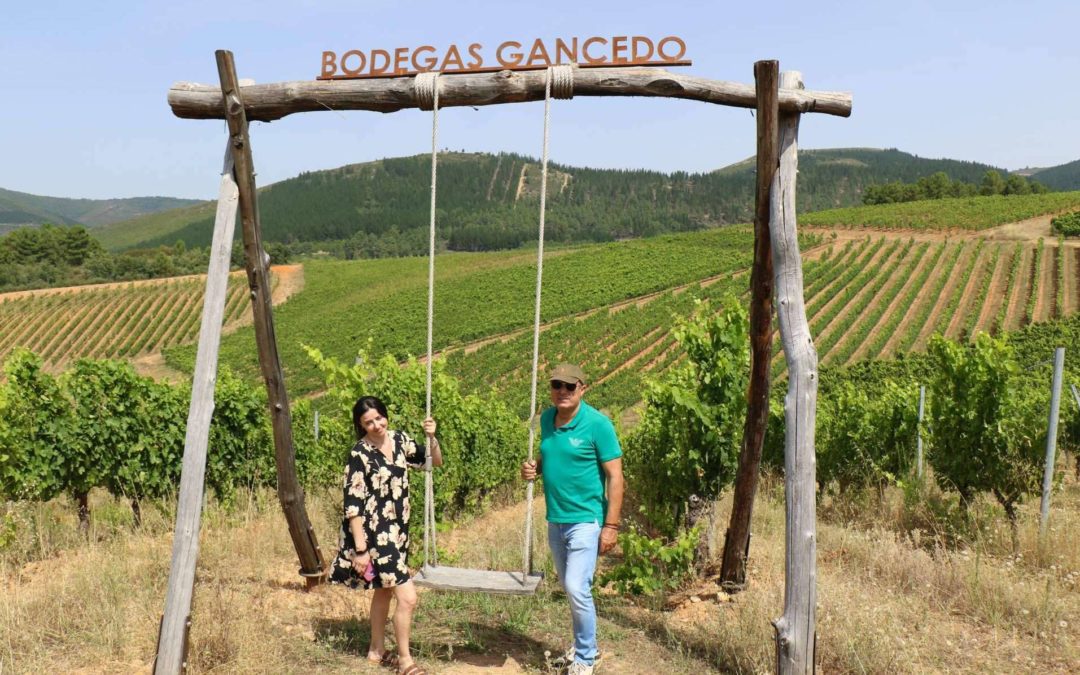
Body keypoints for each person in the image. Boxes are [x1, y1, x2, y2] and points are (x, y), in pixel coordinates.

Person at [521, 363, 624, 675]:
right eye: (557, 385)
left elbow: (616, 477)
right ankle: (583, 647)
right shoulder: (548, 419)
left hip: (586, 520)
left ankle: (586, 658)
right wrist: (534, 469)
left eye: (569, 386)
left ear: (583, 388)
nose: (562, 392)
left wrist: (611, 526)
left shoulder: (598, 425)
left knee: (576, 586)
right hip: (556, 519)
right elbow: (551, 455)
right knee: (573, 588)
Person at [329, 396, 443, 675]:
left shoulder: (401, 440)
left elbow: (434, 462)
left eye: (379, 418)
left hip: (398, 532)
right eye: (369, 422)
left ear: (385, 415)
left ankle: (376, 651)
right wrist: (360, 549)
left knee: (384, 592)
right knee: (408, 598)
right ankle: (405, 661)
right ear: (360, 424)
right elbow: (353, 505)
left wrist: (432, 437)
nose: (376, 425)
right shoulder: (359, 454)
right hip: (374, 538)